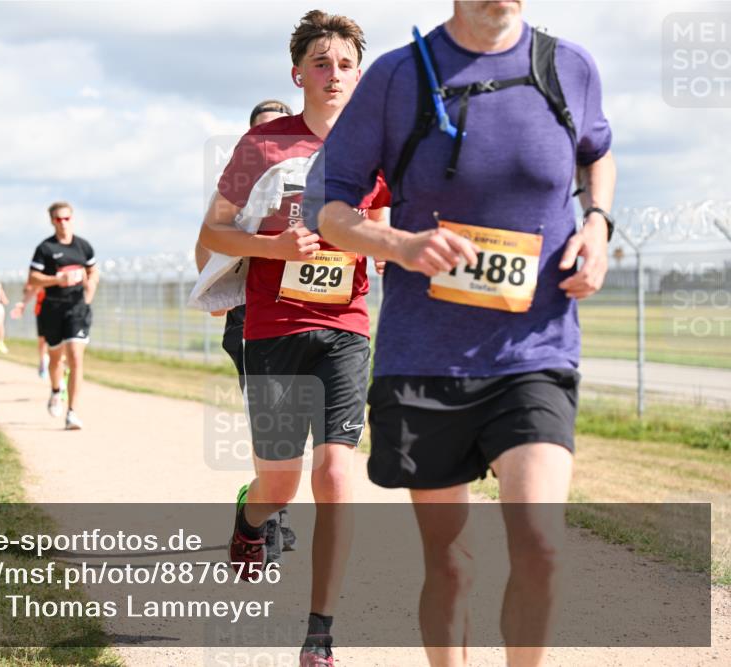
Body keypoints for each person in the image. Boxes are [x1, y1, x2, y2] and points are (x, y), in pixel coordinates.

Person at [303, 2, 616, 665]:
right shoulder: (395, 78)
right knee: (450, 561)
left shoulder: (569, 66)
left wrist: (597, 226)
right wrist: (400, 242)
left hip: (536, 346)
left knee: (540, 543)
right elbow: (330, 210)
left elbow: (598, 153)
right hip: (427, 354)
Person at [197, 11, 390, 666]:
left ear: (358, 75)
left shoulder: (376, 143)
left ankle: (321, 632)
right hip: (273, 328)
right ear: (297, 73)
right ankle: (250, 522)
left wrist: (385, 245)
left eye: (344, 65)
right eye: (320, 63)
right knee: (278, 483)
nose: (333, 74)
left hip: (345, 325)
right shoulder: (263, 146)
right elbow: (213, 236)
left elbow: (384, 213)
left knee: (336, 472)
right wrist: (271, 245)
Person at [194, 98, 299, 565]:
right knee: (271, 420)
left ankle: (270, 499)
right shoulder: (238, 184)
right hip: (247, 312)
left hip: (301, 312)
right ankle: (269, 517)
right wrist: (218, 298)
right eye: (264, 132)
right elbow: (207, 242)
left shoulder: (305, 176)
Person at [19, 202, 98, 430]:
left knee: (75, 356)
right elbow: (33, 278)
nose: (63, 223)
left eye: (66, 218)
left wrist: (91, 285)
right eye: (58, 219)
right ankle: (56, 390)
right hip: (52, 309)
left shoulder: (83, 246)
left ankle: (72, 412)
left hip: (77, 309)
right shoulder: (45, 248)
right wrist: (57, 280)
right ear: (52, 221)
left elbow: (93, 270)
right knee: (55, 359)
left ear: (72, 219)